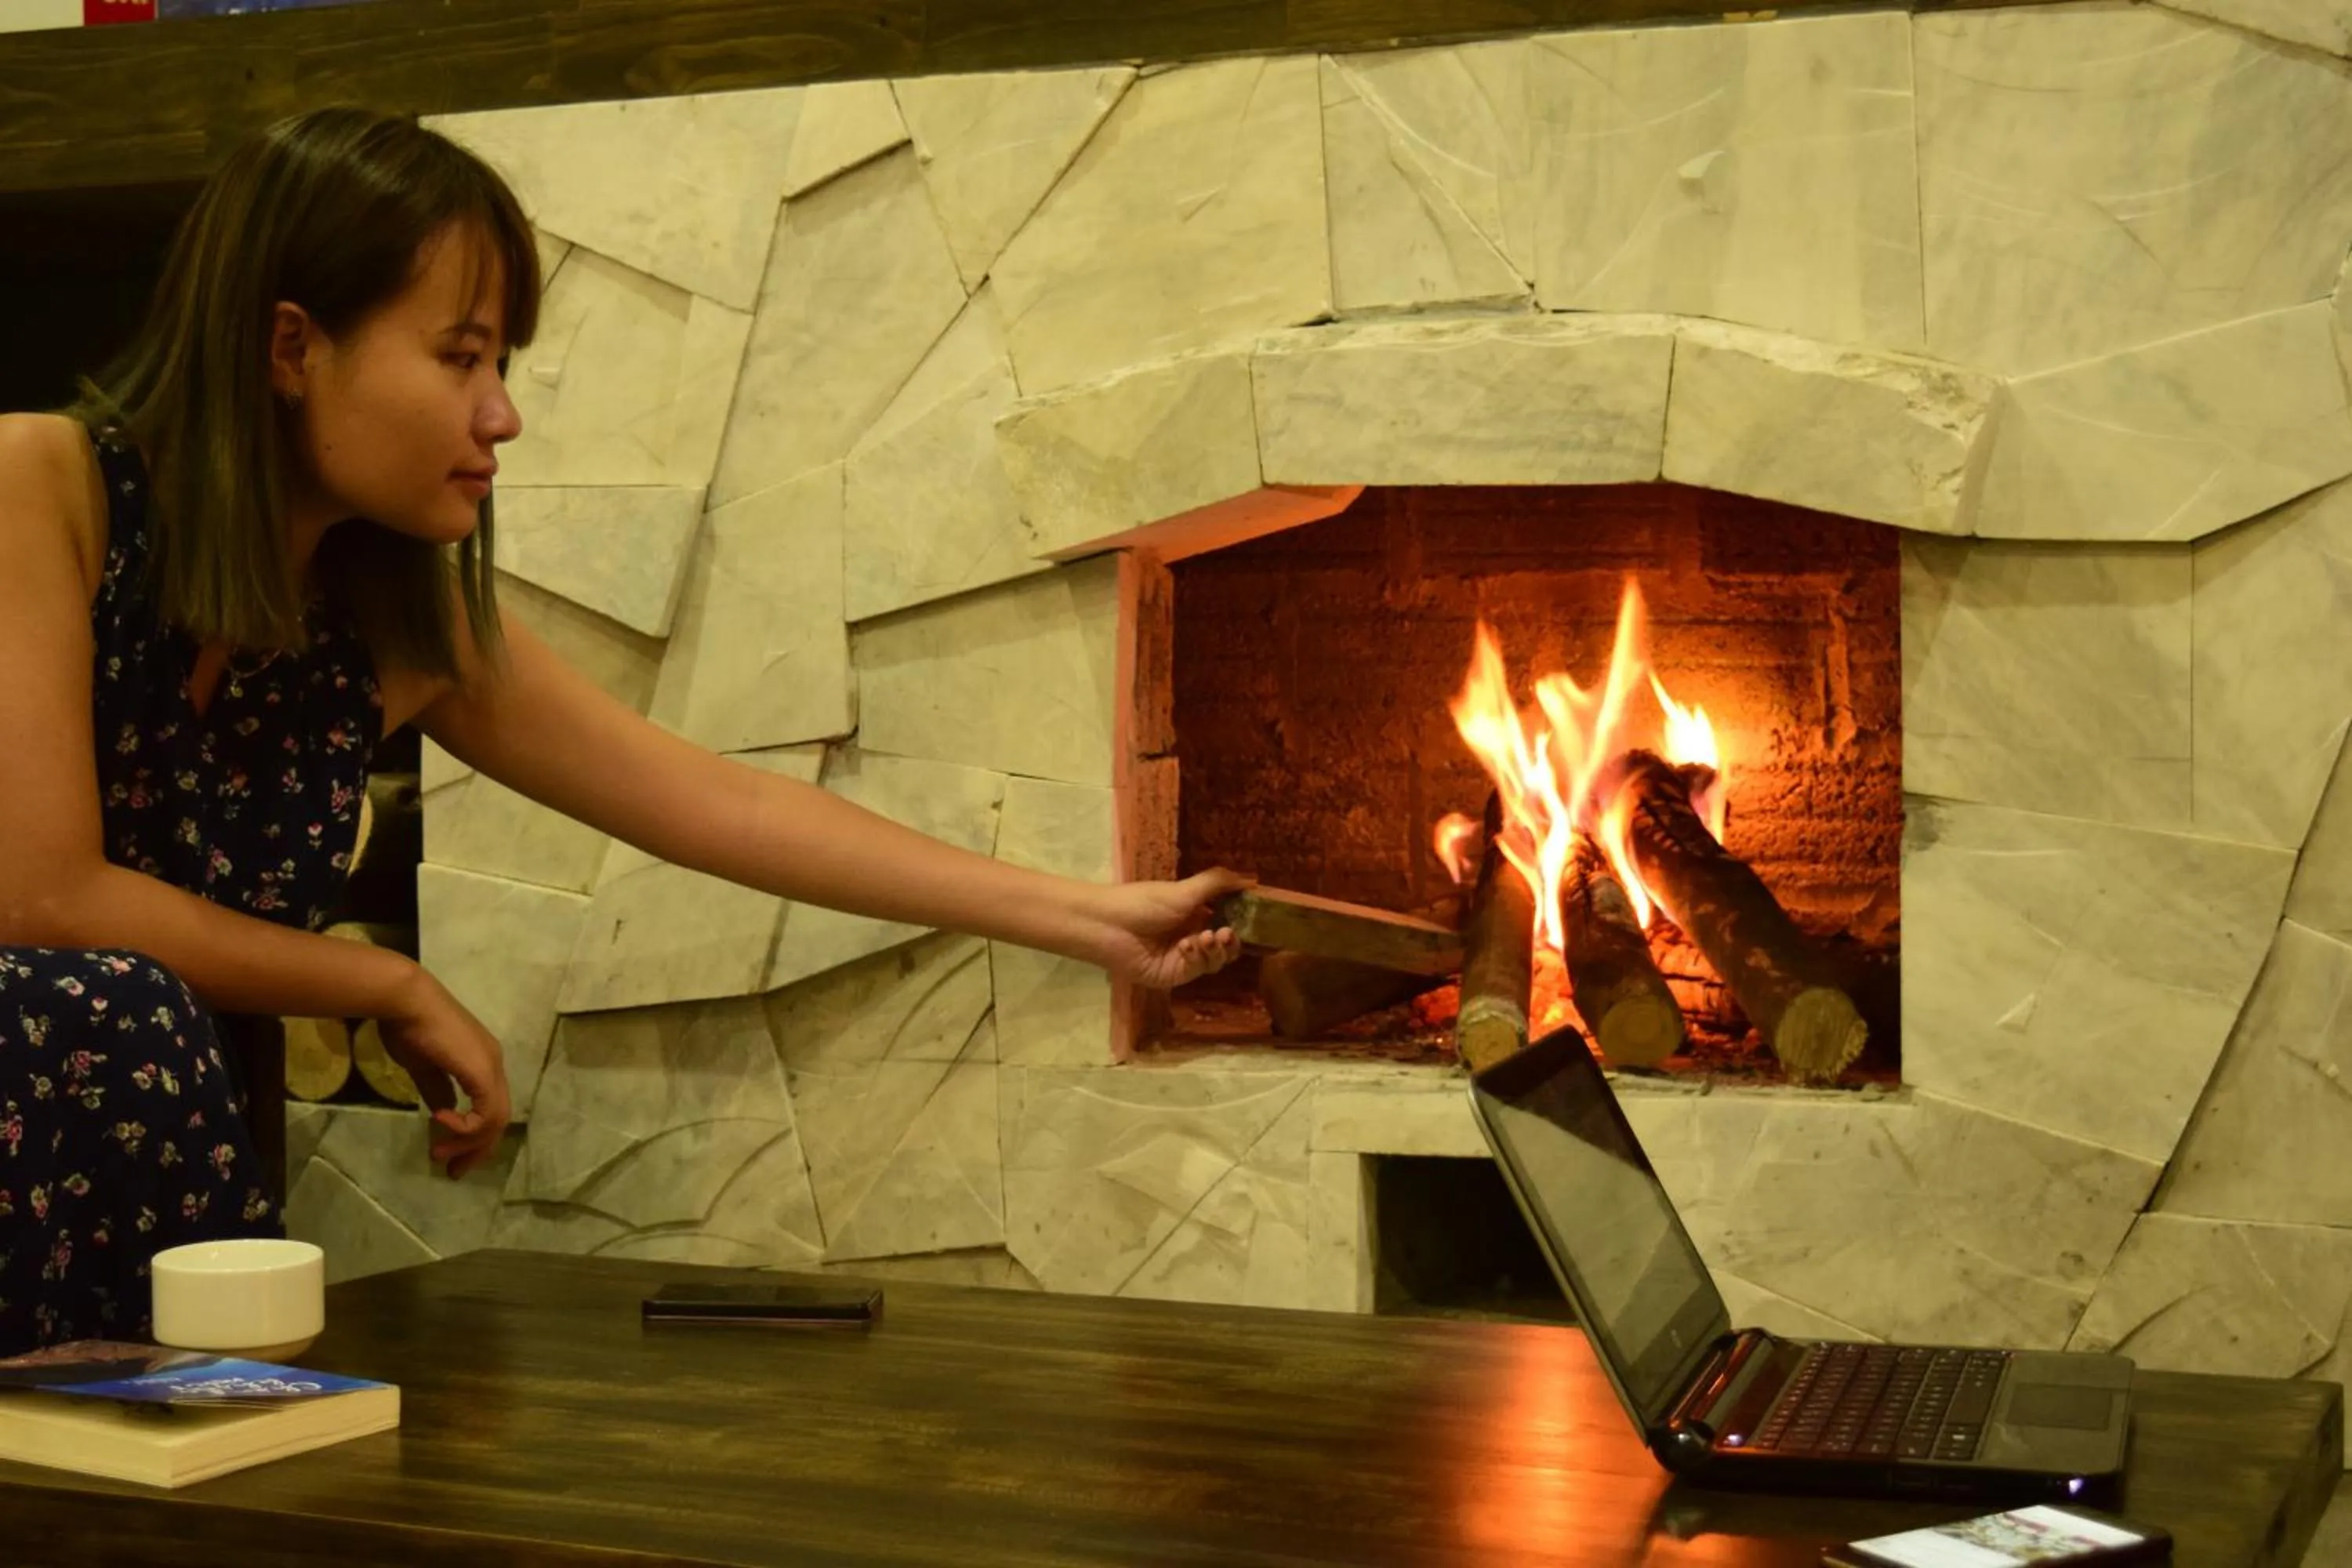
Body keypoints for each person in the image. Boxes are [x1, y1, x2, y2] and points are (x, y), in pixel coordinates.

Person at [0, 106, 1245, 1354]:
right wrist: (381, 976)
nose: (502, 417)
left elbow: (722, 806)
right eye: (459, 359)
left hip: (129, 1165)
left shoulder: (381, 621)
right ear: (291, 347)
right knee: (103, 1004)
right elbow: (41, 897)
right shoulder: (37, 489)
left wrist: (1092, 920)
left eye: (505, 368)